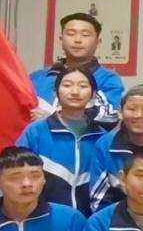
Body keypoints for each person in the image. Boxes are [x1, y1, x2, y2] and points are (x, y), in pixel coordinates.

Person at [16, 66, 107, 212]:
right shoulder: (36, 131)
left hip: (89, 219)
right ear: (55, 92)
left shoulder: (101, 137)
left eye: (83, 86)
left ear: (93, 95)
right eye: (67, 85)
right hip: (44, 217)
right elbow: (17, 173)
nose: (75, 91)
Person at [29, 11, 124, 129]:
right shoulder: (36, 78)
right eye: (71, 34)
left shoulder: (108, 79)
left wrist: (54, 119)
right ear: (61, 40)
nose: (78, 40)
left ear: (98, 42)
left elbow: (107, 118)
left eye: (85, 35)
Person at [85, 85, 143, 211]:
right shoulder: (105, 145)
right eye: (132, 109)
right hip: (115, 216)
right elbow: (99, 198)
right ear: (120, 112)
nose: (139, 115)